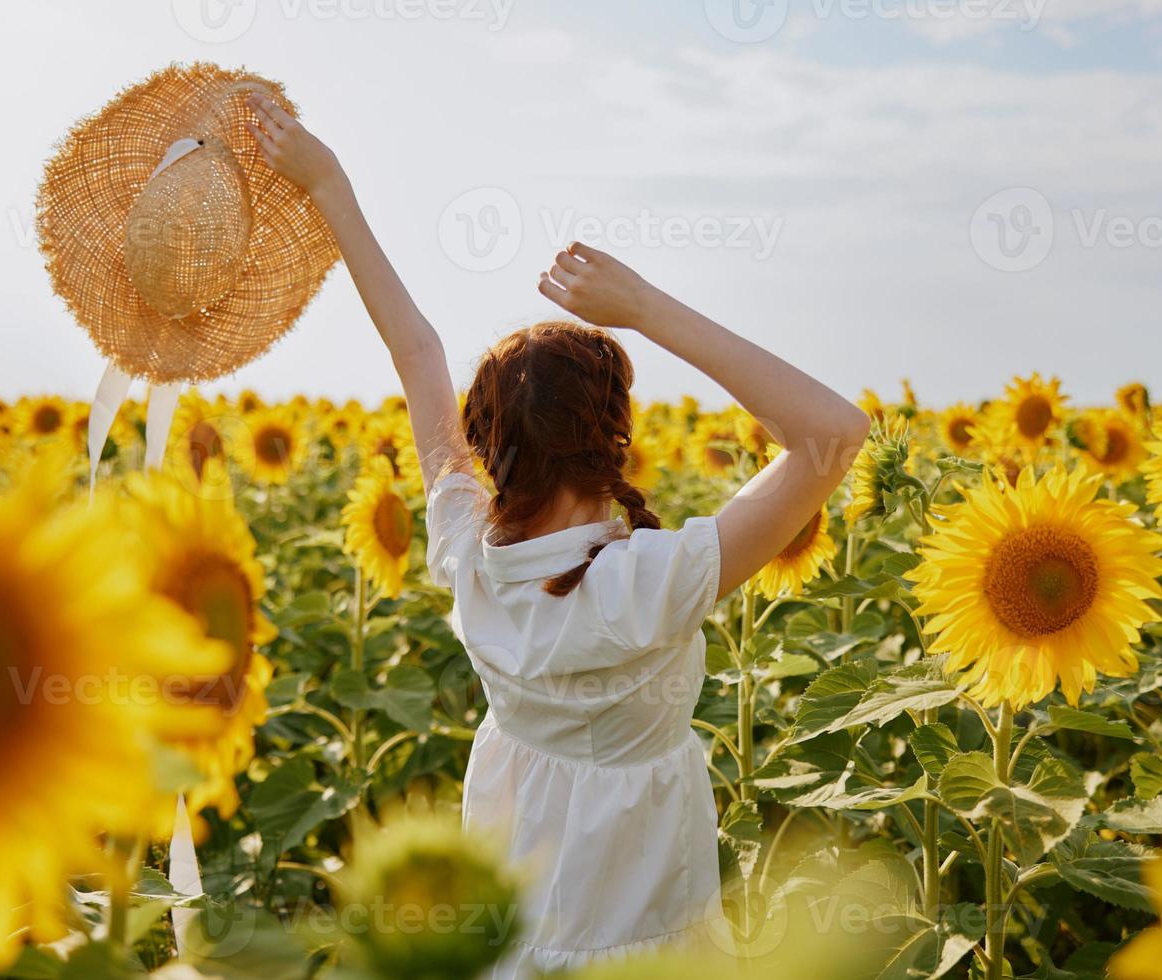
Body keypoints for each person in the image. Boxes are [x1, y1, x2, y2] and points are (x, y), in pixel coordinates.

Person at [247, 95, 870, 976]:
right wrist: (644, 307)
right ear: (614, 438)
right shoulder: (650, 582)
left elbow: (417, 353)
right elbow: (832, 434)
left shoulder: (469, 554)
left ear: (488, 443)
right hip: (650, 937)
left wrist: (328, 185)